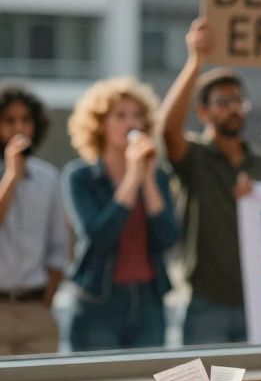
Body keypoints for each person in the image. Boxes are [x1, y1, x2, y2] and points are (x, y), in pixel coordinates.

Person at [160, 18, 261, 345]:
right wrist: (195, 61)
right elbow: (168, 131)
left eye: (238, 101)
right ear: (203, 113)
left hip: (257, 302)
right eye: (223, 102)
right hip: (206, 304)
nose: (233, 108)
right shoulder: (196, 157)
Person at [63, 78, 179, 351]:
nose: (132, 124)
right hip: (99, 301)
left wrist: (147, 181)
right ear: (100, 124)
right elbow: (99, 236)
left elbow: (168, 238)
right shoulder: (80, 176)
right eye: (121, 116)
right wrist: (130, 181)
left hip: (148, 300)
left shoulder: (156, 177)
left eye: (138, 115)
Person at [0, 85, 67, 355]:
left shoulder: (48, 178)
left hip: (35, 309)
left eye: (26, 120)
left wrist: (46, 300)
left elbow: (59, 249)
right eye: (9, 120)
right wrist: (12, 177)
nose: (19, 128)